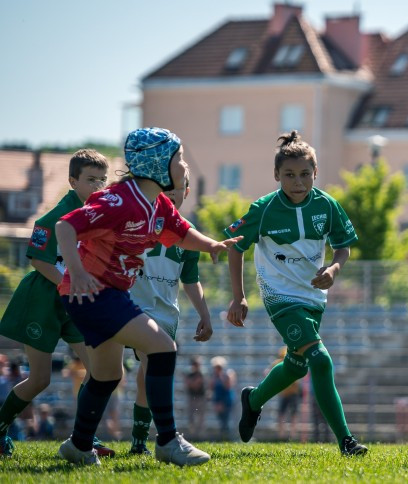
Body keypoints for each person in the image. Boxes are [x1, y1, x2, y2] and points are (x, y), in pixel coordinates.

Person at [54, 127, 241, 466]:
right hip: (94, 293)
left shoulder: (158, 203)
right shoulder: (119, 201)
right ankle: (168, 441)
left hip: (107, 294)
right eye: (179, 159)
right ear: (157, 164)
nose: (184, 167)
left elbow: (181, 233)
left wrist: (210, 244)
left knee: (108, 375)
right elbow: (66, 226)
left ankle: (78, 445)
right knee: (163, 347)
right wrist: (77, 271)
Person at [226, 130, 367, 456]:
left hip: (313, 296)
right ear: (276, 175)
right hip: (279, 296)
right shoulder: (262, 209)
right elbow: (236, 248)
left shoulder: (327, 205)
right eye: (289, 175)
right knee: (319, 358)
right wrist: (239, 295)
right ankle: (346, 442)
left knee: (297, 365)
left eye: (305, 174)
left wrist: (333, 269)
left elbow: (343, 246)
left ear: (315, 173)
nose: (298, 181)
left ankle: (254, 399)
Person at [0, 149, 115, 458]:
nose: (98, 186)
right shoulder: (53, 218)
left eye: (103, 180)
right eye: (91, 180)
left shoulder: (100, 216)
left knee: (100, 371)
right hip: (43, 301)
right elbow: (38, 261)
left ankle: (83, 439)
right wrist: (72, 283)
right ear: (72, 181)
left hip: (76, 303)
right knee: (40, 379)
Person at [126, 166, 214, 455]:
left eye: (179, 188)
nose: (173, 193)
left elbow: (190, 279)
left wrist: (204, 313)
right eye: (168, 187)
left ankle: (140, 442)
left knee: (146, 377)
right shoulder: (134, 219)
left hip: (165, 314)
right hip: (128, 306)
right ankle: (86, 439)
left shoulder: (188, 235)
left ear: (187, 192)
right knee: (109, 372)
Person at [273, 346, 302, 440]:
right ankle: (288, 435)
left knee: (287, 414)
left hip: (289, 393)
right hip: (287, 393)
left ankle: (284, 435)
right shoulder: (287, 362)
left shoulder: (278, 363)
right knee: (289, 415)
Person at [209, 356, 236, 439]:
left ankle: (228, 437)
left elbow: (227, 386)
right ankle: (223, 436)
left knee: (226, 420)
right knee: (221, 420)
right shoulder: (214, 376)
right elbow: (211, 387)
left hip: (226, 401)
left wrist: (221, 377)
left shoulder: (226, 375)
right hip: (218, 401)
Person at [184, 357, 207, 439]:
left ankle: (200, 434)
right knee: (191, 417)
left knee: (201, 417)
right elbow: (190, 384)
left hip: (200, 397)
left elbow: (201, 384)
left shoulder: (202, 373)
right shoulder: (190, 374)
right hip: (192, 397)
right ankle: (192, 434)